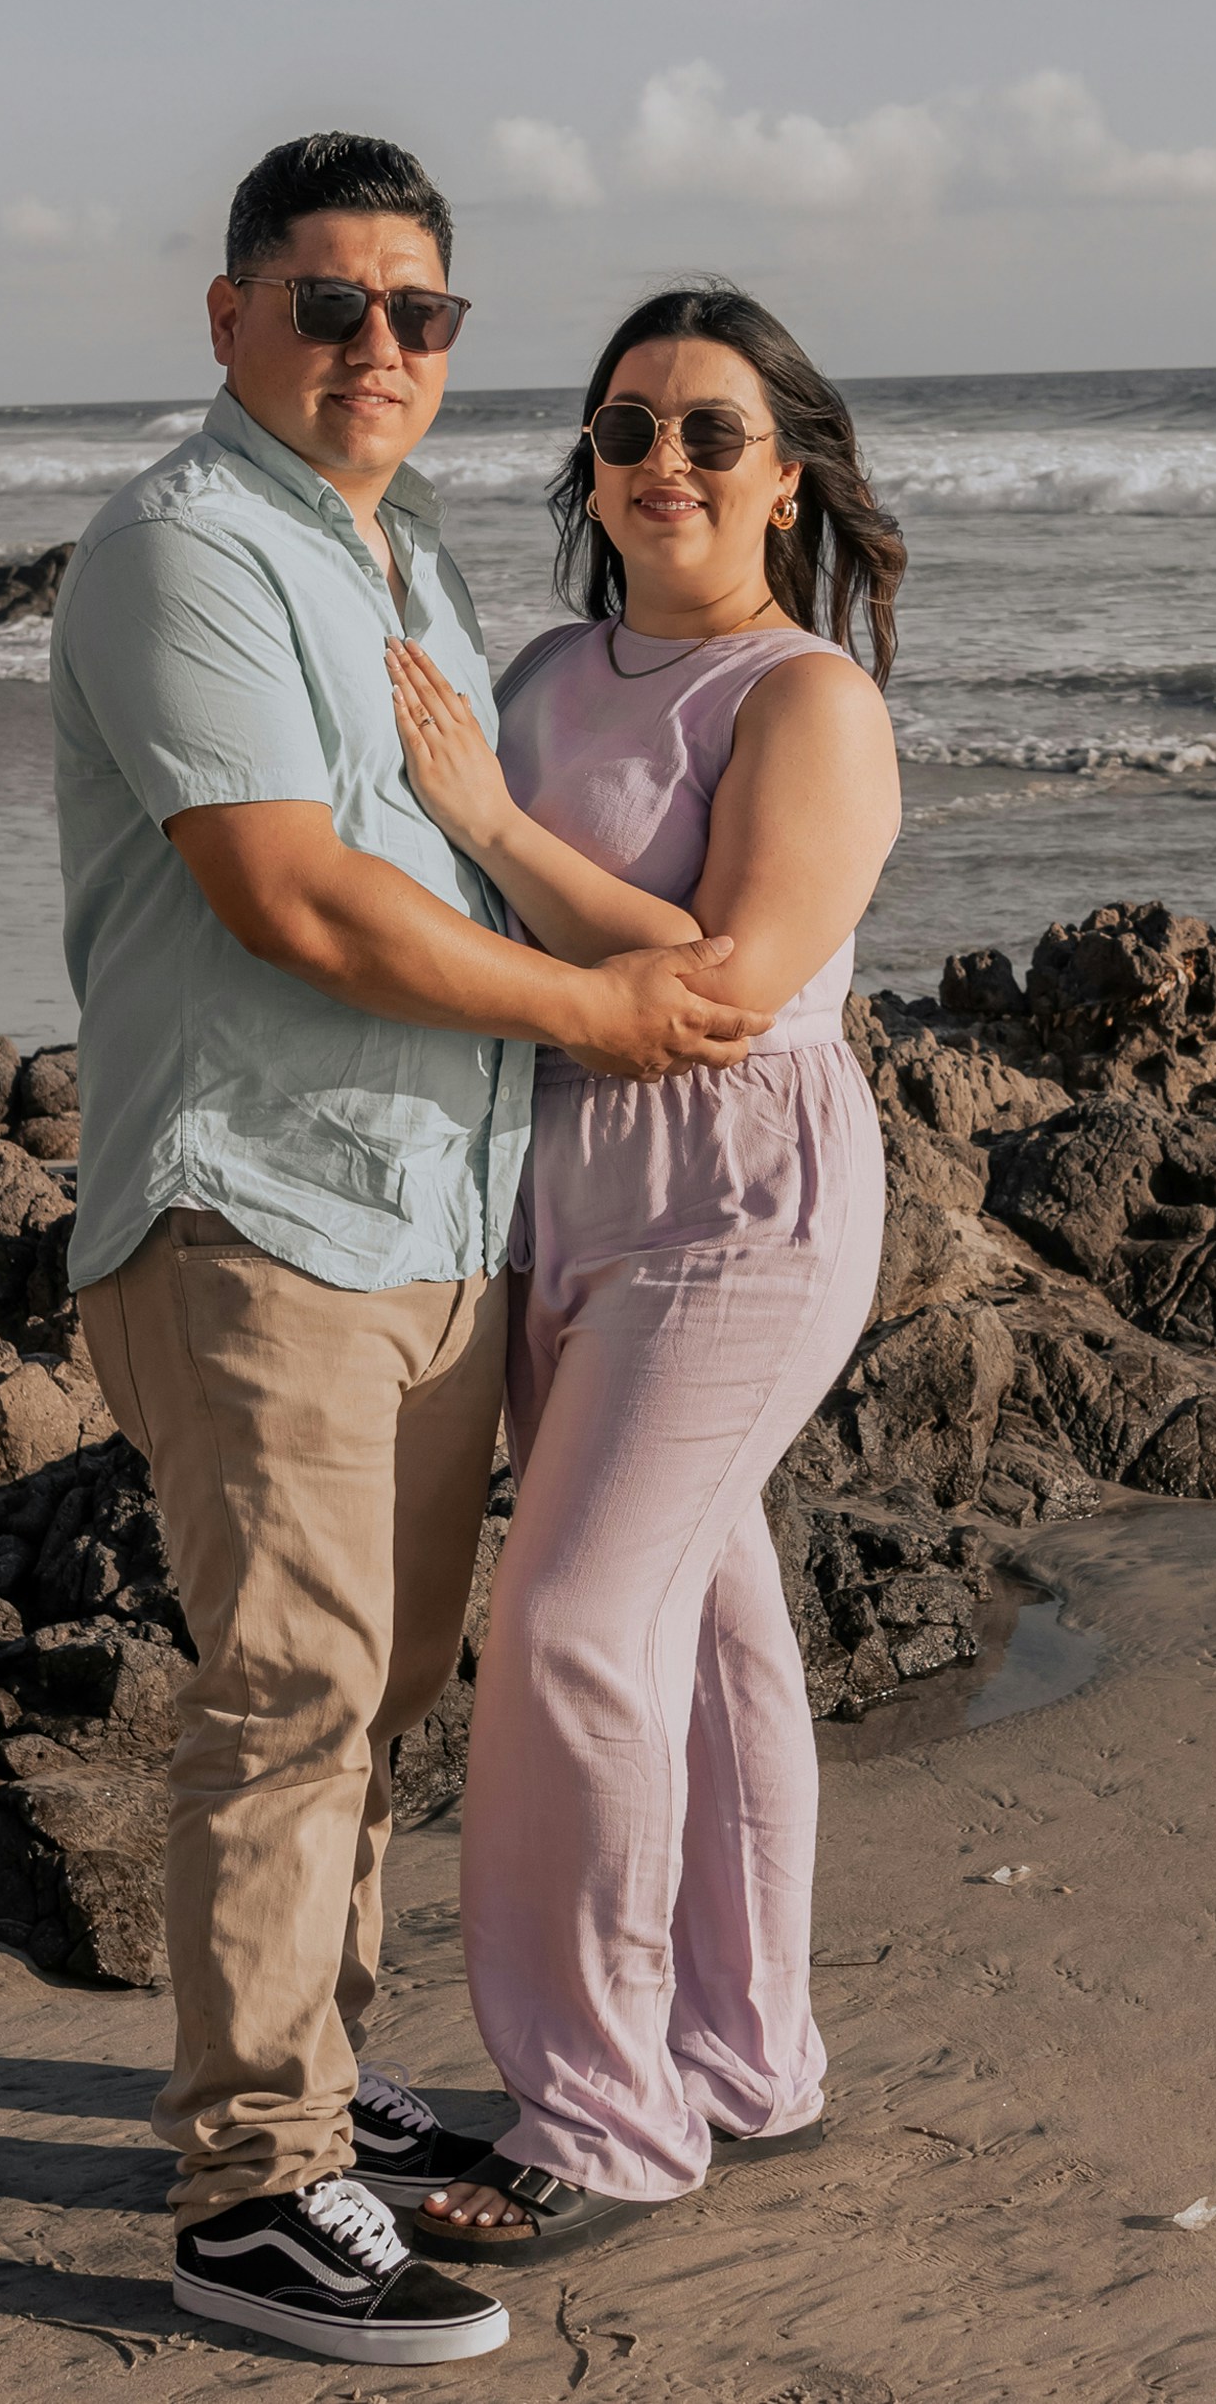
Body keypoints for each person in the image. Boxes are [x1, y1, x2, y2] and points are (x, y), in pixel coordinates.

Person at [49, 138, 772, 2366]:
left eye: (419, 312)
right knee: (288, 1694)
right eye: (330, 301)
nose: (379, 343)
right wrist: (600, 1012)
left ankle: (313, 2079)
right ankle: (253, 2193)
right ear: (229, 316)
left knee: (370, 1698)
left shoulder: (407, 552)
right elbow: (294, 895)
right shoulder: (183, 550)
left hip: (434, 1217)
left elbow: (460, 850)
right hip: (254, 1206)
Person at [383, 281, 907, 2264]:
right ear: (588, 470)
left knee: (573, 1627)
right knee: (704, 1628)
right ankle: (747, 2062)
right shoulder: (535, 669)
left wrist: (488, 820)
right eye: (623, 429)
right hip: (549, 1185)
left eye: (707, 430)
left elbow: (726, 981)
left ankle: (603, 2114)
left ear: (788, 477)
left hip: (738, 1197)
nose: (660, 460)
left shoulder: (804, 699)